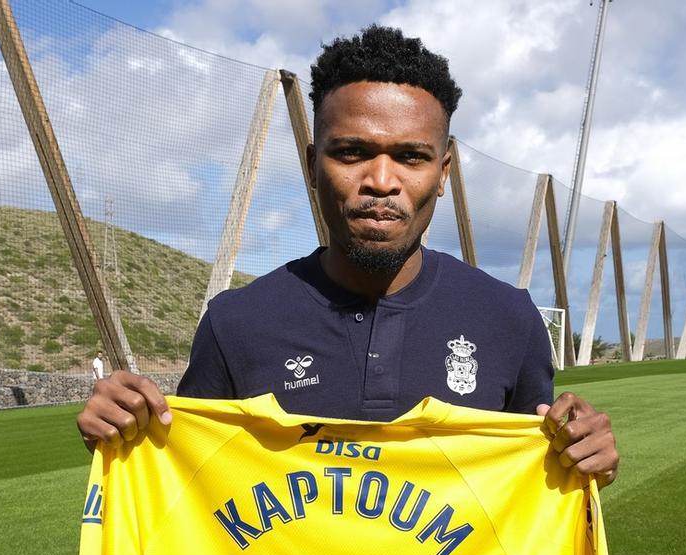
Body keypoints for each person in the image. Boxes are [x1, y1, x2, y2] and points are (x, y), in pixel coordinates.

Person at [76, 25, 618, 486]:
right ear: (313, 164)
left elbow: (533, 490)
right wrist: (125, 436)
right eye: (352, 152)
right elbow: (186, 489)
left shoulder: (508, 320)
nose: (381, 180)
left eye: (411, 157)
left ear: (444, 172)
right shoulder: (235, 324)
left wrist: (582, 454)